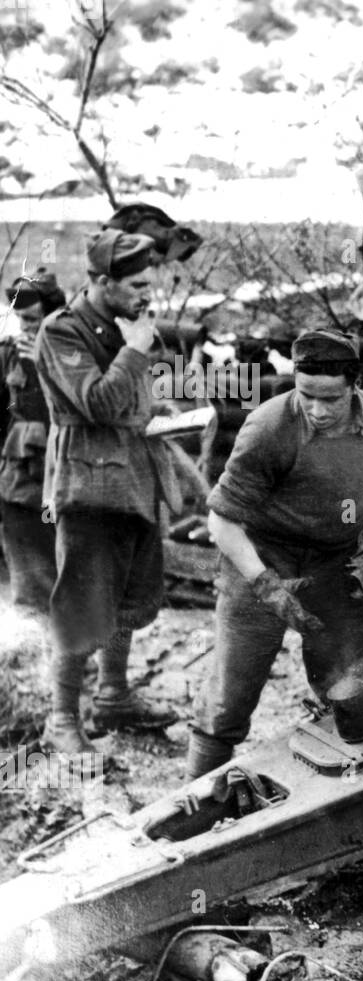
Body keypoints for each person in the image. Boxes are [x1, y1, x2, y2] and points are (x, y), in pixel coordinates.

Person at [185, 329, 363, 780]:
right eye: (307, 395)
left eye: (331, 399)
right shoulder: (270, 426)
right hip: (260, 557)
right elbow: (222, 521)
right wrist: (264, 584)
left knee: (349, 685)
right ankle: (193, 805)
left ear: (354, 386)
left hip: (335, 559)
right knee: (230, 695)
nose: (317, 410)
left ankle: (355, 796)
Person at [36, 231, 181, 753]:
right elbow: (96, 402)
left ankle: (114, 696)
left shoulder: (126, 324)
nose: (150, 293)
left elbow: (124, 404)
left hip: (135, 479)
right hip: (89, 488)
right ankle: (61, 720)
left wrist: (159, 414)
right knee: (84, 604)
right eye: (138, 284)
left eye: (152, 282)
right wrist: (136, 351)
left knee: (127, 598)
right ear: (100, 281)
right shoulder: (62, 332)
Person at [1, 270, 65, 613]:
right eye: (20, 319)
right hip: (20, 479)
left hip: (62, 478)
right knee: (30, 583)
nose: (25, 327)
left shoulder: (73, 356)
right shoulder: (8, 354)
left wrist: (43, 363)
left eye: (33, 320)